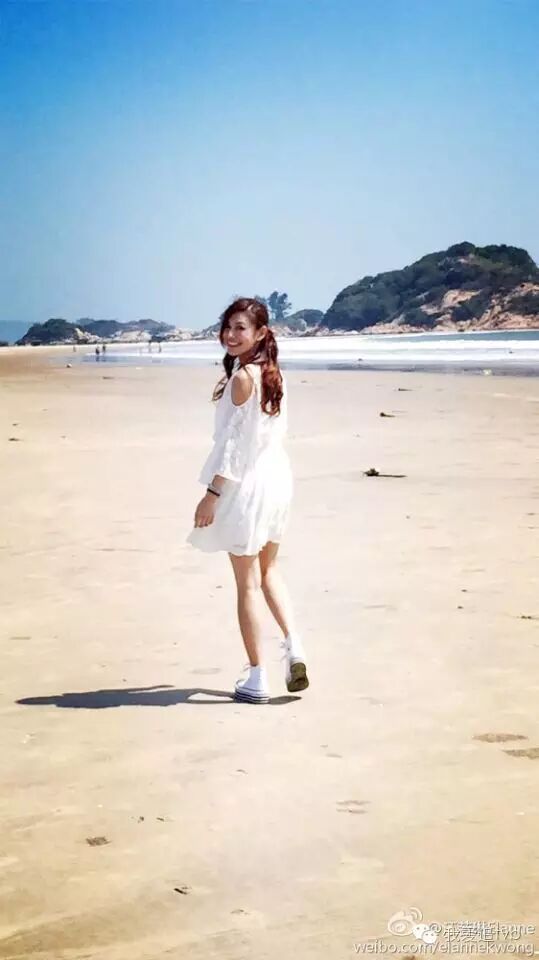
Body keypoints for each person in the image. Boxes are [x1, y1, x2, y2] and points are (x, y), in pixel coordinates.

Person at [186, 298, 308, 704]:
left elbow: (233, 447)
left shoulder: (243, 378)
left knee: (248, 584)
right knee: (269, 570)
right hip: (277, 479)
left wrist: (211, 495)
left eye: (240, 328)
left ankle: (257, 677)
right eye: (228, 327)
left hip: (248, 485)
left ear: (260, 333)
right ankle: (294, 646)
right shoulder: (273, 374)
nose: (231, 335)